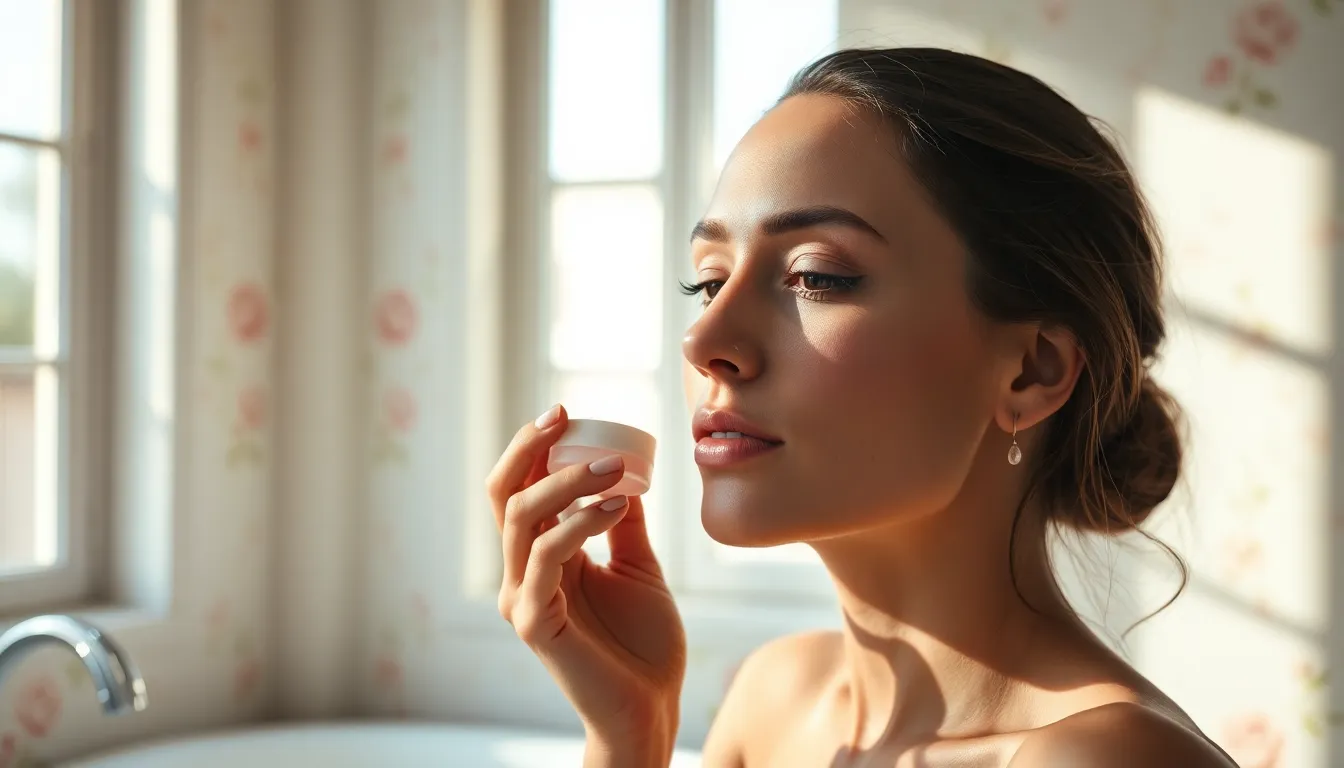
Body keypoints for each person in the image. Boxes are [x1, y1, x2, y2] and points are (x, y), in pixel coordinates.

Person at [486, 47, 1238, 767]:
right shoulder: (775, 704)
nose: (705, 340)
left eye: (816, 277)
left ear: (1031, 371)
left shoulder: (1103, 759)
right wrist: (629, 733)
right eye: (710, 282)